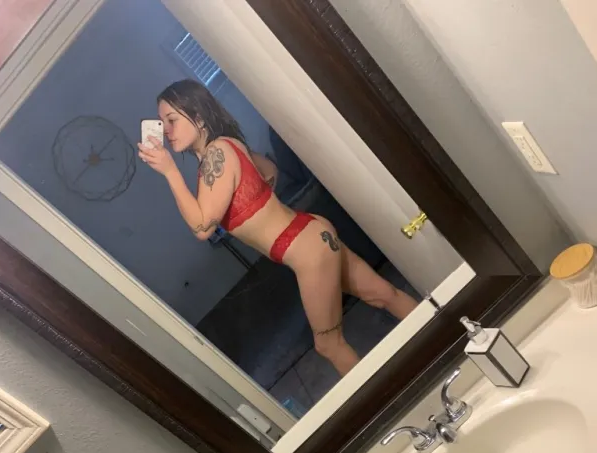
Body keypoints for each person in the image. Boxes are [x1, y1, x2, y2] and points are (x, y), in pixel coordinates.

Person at [138, 79, 418, 376]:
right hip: (312, 232)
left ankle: (387, 396)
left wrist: (170, 171)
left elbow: (202, 227)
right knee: (383, 293)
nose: (166, 131)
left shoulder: (216, 154)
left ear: (198, 115)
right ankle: (447, 332)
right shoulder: (230, 144)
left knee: (329, 345)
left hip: (306, 251)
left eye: (171, 120)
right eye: (162, 123)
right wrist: (256, 204)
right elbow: (270, 171)